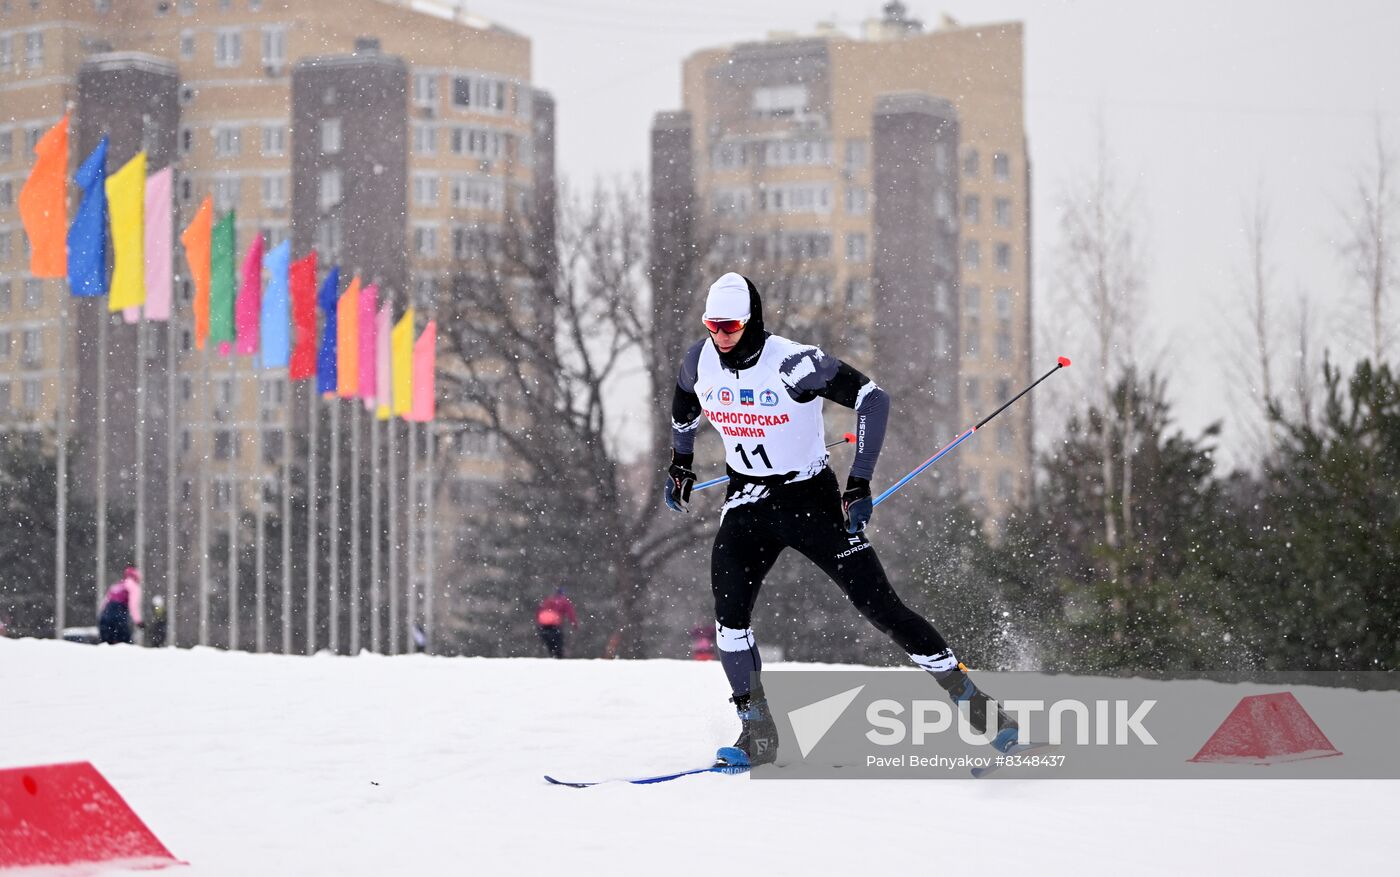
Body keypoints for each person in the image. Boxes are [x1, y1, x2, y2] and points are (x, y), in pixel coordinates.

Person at [664, 272, 1020, 768]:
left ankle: (983, 711)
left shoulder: (793, 363)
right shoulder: (699, 360)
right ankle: (758, 732)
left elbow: (873, 398)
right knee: (729, 623)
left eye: (731, 326)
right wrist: (681, 463)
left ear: (752, 321)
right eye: (713, 325)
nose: (720, 335)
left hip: (807, 499)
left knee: (881, 608)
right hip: (745, 500)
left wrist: (859, 482)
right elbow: (683, 404)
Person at [535, 588, 578, 659]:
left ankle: (551, 653)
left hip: (543, 624)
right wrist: (574, 623)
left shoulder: (548, 600)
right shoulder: (564, 602)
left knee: (549, 641)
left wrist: (538, 622)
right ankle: (558, 655)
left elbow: (539, 610)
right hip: (554, 624)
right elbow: (570, 613)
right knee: (558, 640)